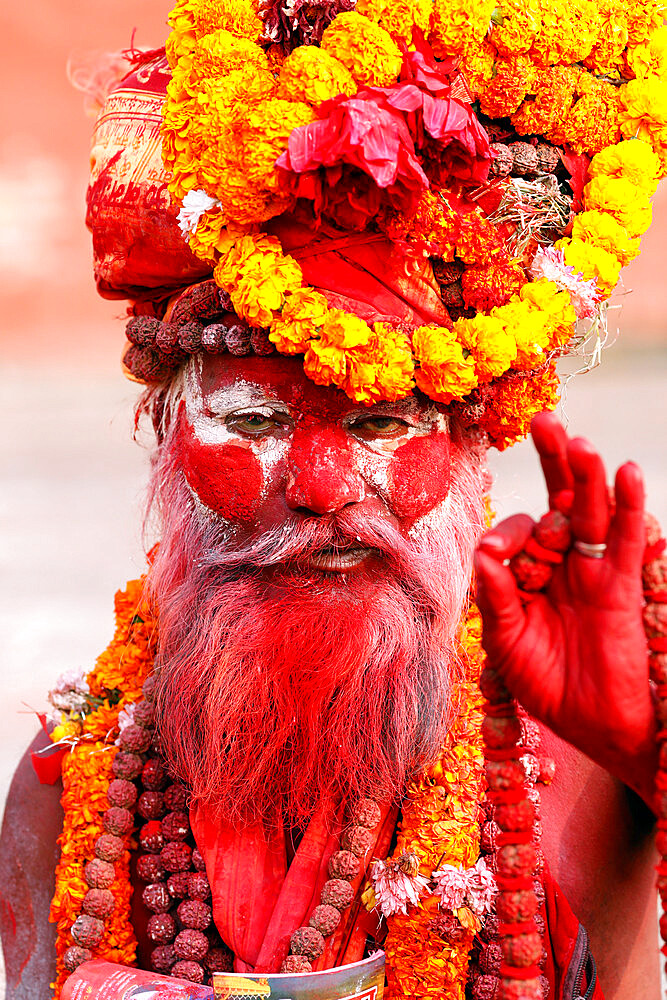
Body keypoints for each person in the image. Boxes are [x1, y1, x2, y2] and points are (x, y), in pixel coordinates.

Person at [1, 2, 666, 999]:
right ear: (161, 443)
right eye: (257, 423)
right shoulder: (75, 778)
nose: (318, 491)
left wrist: (648, 760)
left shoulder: (579, 767)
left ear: (474, 452)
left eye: (381, 428)